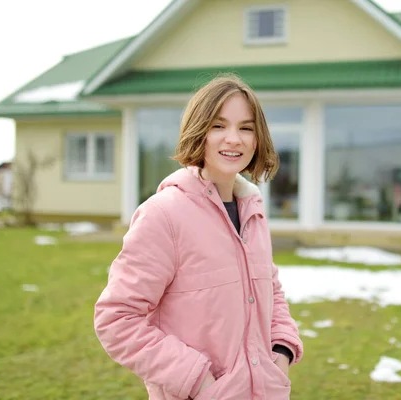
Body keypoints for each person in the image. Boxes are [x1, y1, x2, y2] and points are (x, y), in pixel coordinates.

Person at [94, 74, 303, 400]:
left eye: (246, 128)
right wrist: (197, 379)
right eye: (219, 126)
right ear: (198, 132)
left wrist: (282, 348)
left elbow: (269, 288)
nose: (234, 139)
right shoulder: (163, 214)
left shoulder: (253, 211)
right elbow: (116, 319)